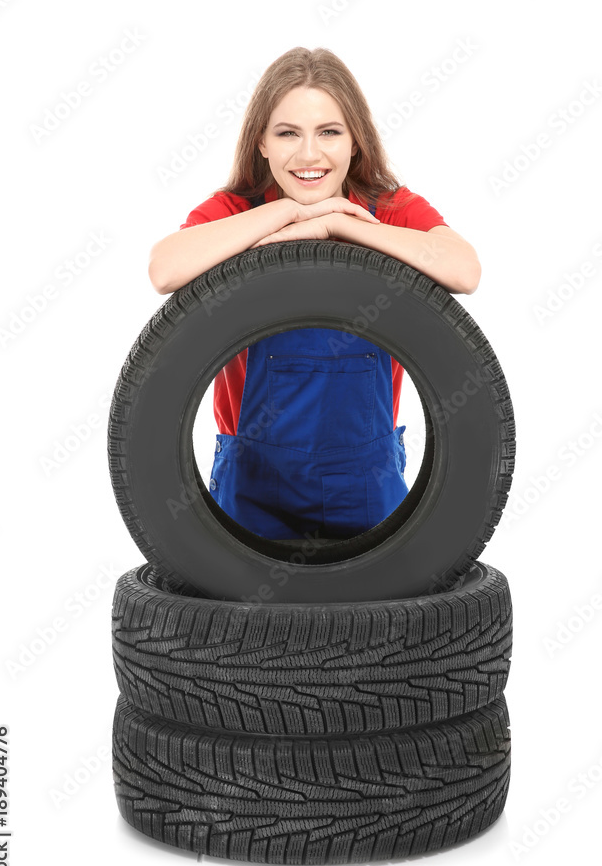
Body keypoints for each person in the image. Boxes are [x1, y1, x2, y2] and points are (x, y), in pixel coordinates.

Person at [148, 47, 481, 542]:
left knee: (391, 619)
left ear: (354, 142)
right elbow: (164, 268)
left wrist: (342, 221)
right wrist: (288, 215)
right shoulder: (235, 210)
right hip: (253, 484)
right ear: (261, 141)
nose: (309, 155)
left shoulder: (387, 208)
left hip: (367, 484)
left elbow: (464, 270)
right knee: (242, 621)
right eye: (287, 133)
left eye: (329, 132)